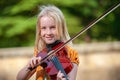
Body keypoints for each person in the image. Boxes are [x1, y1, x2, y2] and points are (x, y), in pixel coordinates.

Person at [17, 5, 79, 80]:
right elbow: (19, 78)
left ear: (61, 28)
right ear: (39, 31)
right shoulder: (40, 53)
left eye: (53, 27)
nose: (48, 32)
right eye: (44, 28)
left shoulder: (71, 54)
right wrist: (29, 67)